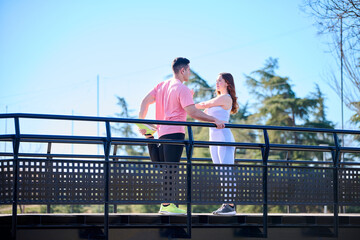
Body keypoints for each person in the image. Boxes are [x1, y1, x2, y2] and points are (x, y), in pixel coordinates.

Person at [138, 57, 226, 215]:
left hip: (162, 132)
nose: (190, 73)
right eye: (189, 70)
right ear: (182, 70)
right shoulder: (182, 88)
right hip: (175, 132)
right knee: (171, 169)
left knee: (162, 166)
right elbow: (192, 112)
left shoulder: (161, 85)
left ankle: (149, 137)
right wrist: (215, 120)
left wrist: (141, 122)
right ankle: (166, 205)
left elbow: (145, 101)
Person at [195, 72, 239, 215]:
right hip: (213, 139)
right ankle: (225, 203)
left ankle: (230, 205)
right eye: (216, 80)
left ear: (227, 83)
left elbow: (204, 105)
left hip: (223, 137)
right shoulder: (218, 98)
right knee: (221, 173)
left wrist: (188, 104)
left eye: (220, 80)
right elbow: (201, 114)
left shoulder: (225, 98)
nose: (217, 83)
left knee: (226, 171)